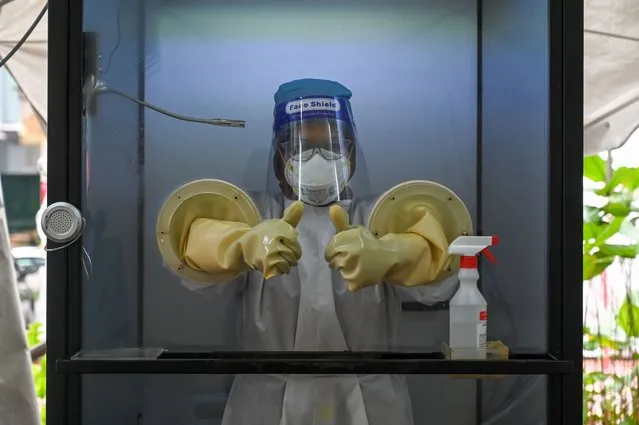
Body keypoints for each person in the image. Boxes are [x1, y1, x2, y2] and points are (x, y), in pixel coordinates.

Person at [164, 78, 462, 425]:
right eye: (302, 145)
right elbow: (193, 256)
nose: (318, 158)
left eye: (332, 144)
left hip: (368, 397)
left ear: (351, 151)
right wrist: (241, 245)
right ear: (280, 153)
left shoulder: (379, 217)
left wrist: (391, 251)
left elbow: (438, 281)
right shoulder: (254, 215)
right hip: (268, 400)